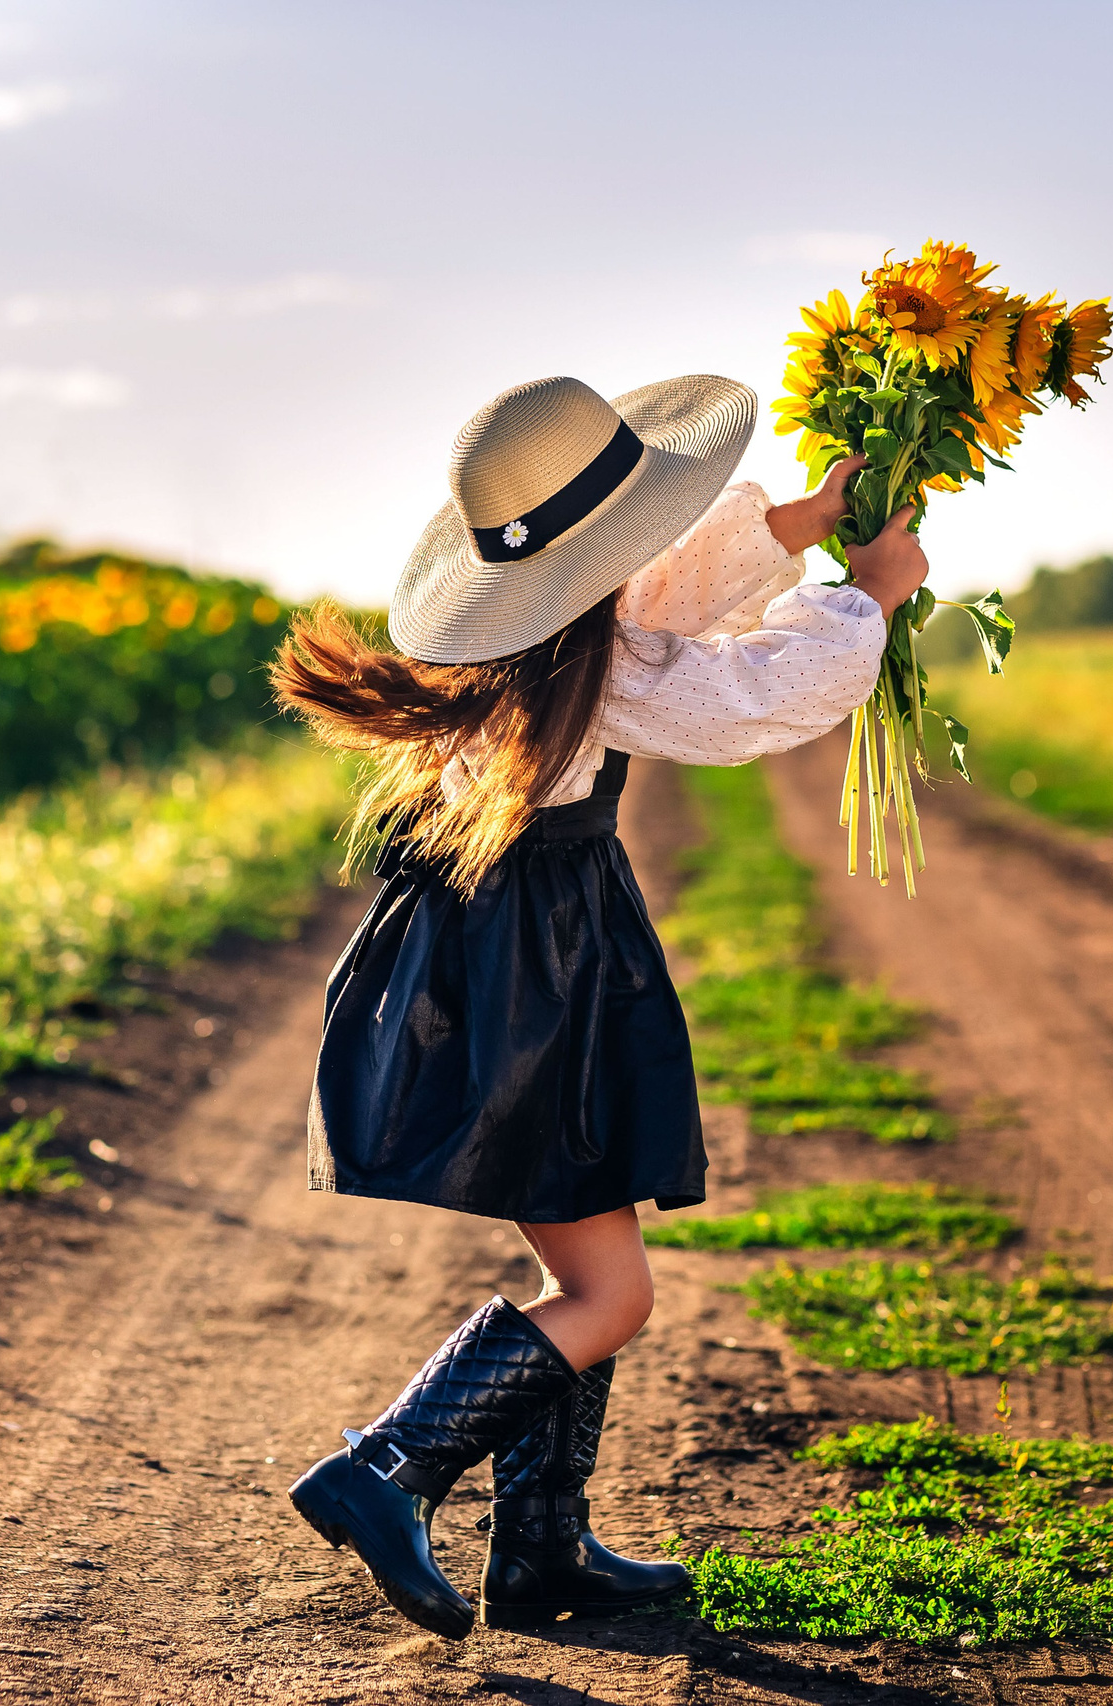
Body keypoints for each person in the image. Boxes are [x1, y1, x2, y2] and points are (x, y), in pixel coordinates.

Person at [268, 372, 931, 1638]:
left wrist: (795, 527)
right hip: (541, 972)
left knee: (593, 1246)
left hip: (517, 956)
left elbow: (660, 601)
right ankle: (388, 1466)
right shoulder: (595, 660)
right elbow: (740, 698)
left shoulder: (545, 642)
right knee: (609, 1292)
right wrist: (867, 602)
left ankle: (542, 1545)